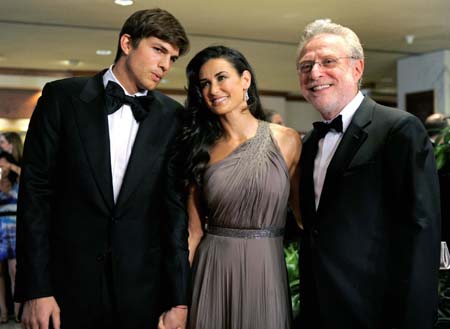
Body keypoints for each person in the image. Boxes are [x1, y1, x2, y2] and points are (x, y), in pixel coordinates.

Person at [15, 8, 190, 329]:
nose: (165, 65)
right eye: (158, 50)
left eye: (172, 58)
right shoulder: (61, 98)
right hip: (66, 290)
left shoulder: (172, 116)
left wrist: (179, 298)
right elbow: (35, 197)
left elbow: (174, 213)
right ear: (127, 43)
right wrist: (36, 289)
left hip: (142, 293)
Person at [296, 19, 441, 329]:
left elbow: (421, 231)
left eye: (327, 62)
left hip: (378, 311)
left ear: (357, 69)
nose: (314, 73)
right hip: (320, 311)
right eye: (305, 65)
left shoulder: (398, 129)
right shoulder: (309, 143)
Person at [177, 45, 301, 329]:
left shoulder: (288, 140)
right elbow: (193, 234)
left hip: (266, 269)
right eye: (204, 83)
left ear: (245, 80)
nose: (213, 89)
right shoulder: (199, 148)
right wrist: (178, 300)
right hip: (213, 270)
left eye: (221, 78)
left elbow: (304, 217)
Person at [0, 151, 20, 323]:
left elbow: (28, 175)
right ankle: (3, 312)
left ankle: (18, 311)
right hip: (0, 228)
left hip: (15, 228)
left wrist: (11, 166)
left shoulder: (17, 182)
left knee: (15, 271)